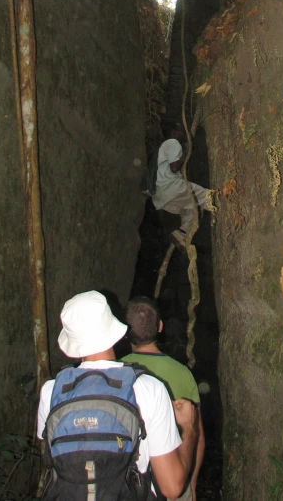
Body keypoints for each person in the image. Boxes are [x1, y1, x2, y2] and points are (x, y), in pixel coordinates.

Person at [37, 291, 198, 499]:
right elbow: (172, 487)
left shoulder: (51, 391)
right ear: (114, 330)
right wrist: (189, 429)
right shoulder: (147, 388)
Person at [122, 297, 205, 501]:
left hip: (128, 483)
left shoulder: (116, 372)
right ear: (160, 326)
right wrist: (191, 481)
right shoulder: (182, 374)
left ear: (125, 331)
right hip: (173, 475)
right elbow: (197, 434)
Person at [152, 121, 209, 248]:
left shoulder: (163, 149)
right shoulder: (172, 143)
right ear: (173, 133)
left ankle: (181, 233)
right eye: (180, 130)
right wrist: (186, 152)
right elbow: (174, 167)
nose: (183, 133)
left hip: (162, 199)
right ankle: (230, 203)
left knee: (192, 210)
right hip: (171, 188)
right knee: (207, 197)